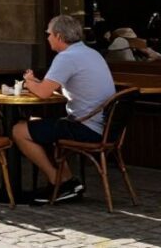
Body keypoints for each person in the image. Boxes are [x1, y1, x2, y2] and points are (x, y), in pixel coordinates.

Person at [13, 14, 116, 203]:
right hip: (105, 127)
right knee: (38, 125)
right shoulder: (90, 53)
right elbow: (55, 86)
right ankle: (69, 181)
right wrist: (39, 85)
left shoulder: (66, 57)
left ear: (59, 36)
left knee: (19, 130)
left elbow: (43, 93)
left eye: (49, 34)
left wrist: (29, 83)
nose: (47, 38)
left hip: (87, 128)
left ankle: (56, 180)